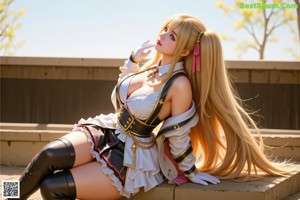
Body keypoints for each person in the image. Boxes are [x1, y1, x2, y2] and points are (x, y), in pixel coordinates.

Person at [15, 14, 287, 200]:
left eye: (172, 36)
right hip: (107, 129)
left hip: (131, 157)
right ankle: (7, 195)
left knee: (52, 188)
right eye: (165, 29)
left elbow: (178, 135)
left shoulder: (180, 86)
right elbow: (122, 98)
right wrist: (132, 62)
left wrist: (191, 171)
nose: (163, 35)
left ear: (183, 51)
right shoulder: (151, 68)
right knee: (48, 155)